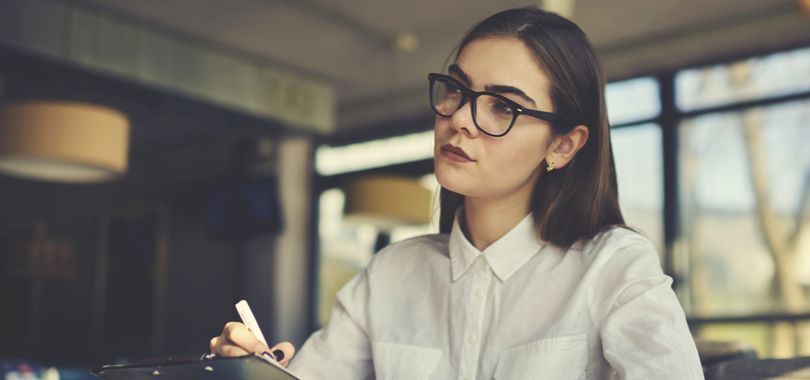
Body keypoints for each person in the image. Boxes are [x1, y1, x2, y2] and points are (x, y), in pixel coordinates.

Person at [210, 6, 704, 379]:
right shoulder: (391, 275)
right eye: (457, 90)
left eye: (502, 107)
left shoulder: (611, 267)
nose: (460, 119)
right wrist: (254, 367)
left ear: (563, 145)